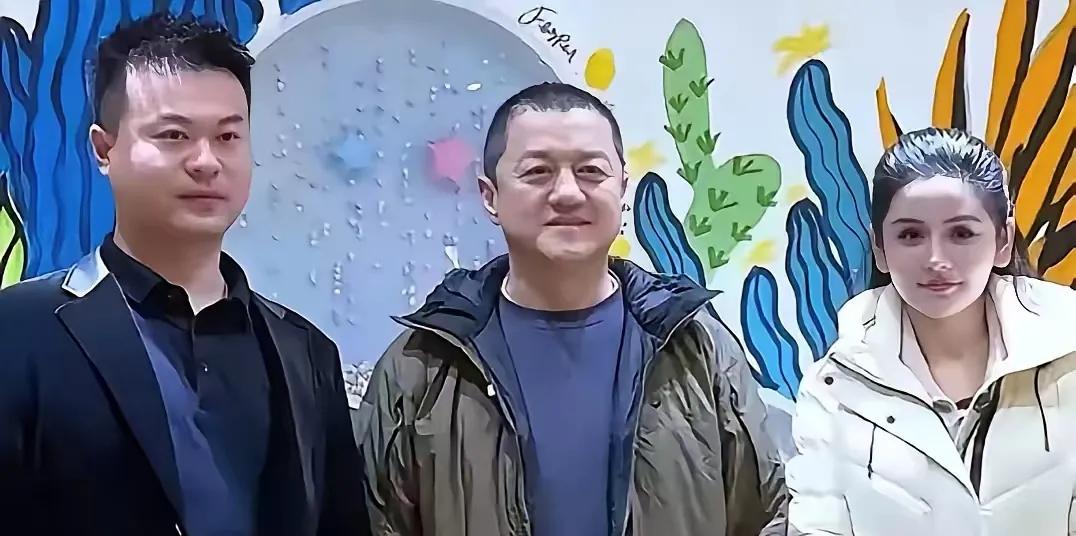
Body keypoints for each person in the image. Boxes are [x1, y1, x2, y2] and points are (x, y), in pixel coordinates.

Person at [355, 82, 787, 536]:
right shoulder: (422, 365)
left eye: (590, 171)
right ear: (490, 195)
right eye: (538, 172)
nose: (567, 192)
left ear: (623, 188)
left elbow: (766, 515)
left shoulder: (697, 347)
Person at [0, 13, 369, 536]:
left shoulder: (306, 352)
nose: (206, 161)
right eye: (174, 135)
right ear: (104, 150)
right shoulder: (18, 331)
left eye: (228, 136)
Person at [786, 127, 1076, 535]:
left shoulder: (1069, 354)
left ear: (1003, 240)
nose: (936, 258)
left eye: (961, 233)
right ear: (879, 248)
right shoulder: (833, 389)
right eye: (911, 235)